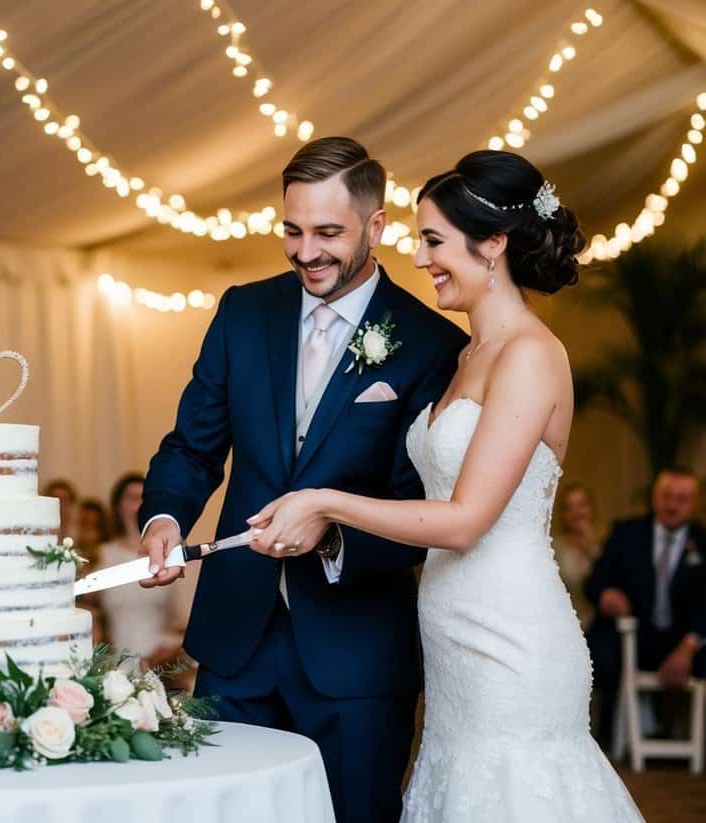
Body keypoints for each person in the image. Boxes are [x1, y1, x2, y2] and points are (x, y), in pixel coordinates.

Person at [232, 150, 642, 819]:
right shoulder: (465, 354)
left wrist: (326, 501)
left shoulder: (532, 354)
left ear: (493, 245)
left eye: (433, 241)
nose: (419, 259)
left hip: (511, 638)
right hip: (453, 645)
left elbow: (464, 519)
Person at [140, 136, 467, 823]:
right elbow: (192, 448)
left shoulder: (431, 345)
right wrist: (164, 519)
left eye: (327, 232)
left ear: (376, 227)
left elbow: (422, 509)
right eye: (292, 230)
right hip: (235, 643)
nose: (305, 251)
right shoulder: (241, 312)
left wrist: (330, 535)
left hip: (355, 655)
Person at [585, 467, 706, 745]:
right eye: (666, 496)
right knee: (597, 651)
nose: (673, 505)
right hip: (633, 636)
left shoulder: (704, 542)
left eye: (682, 498)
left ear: (695, 503)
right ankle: (603, 739)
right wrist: (606, 593)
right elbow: (595, 580)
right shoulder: (626, 533)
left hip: (686, 640)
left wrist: (689, 645)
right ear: (654, 496)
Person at [96, 473, 182, 668]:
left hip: (161, 664)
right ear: (118, 506)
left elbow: (182, 622)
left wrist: (168, 652)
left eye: (144, 499)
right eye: (132, 499)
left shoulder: (168, 554)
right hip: (115, 666)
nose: (139, 506)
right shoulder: (103, 554)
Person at [553, 482, 601, 628]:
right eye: (569, 507)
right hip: (565, 623)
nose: (577, 513)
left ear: (592, 508)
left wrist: (591, 547)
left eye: (581, 505)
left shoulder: (608, 543)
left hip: (599, 626)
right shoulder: (554, 547)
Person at [42, 479, 78, 544]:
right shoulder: (40, 532)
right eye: (56, 499)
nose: (60, 504)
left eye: (65, 500)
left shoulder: (79, 535)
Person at [77, 498, 109, 568]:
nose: (88, 518)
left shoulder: (107, 543)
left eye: (91, 515)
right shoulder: (76, 538)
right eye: (85, 518)